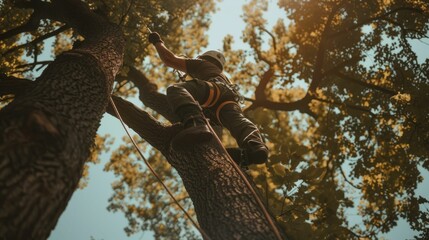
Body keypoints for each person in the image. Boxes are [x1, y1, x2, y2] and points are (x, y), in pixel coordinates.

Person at [148, 32, 268, 166]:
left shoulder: (203, 63)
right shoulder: (221, 74)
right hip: (228, 102)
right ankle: (254, 149)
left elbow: (169, 59)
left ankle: (195, 123)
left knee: (176, 89)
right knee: (239, 122)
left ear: (204, 57)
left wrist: (157, 41)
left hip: (215, 91)